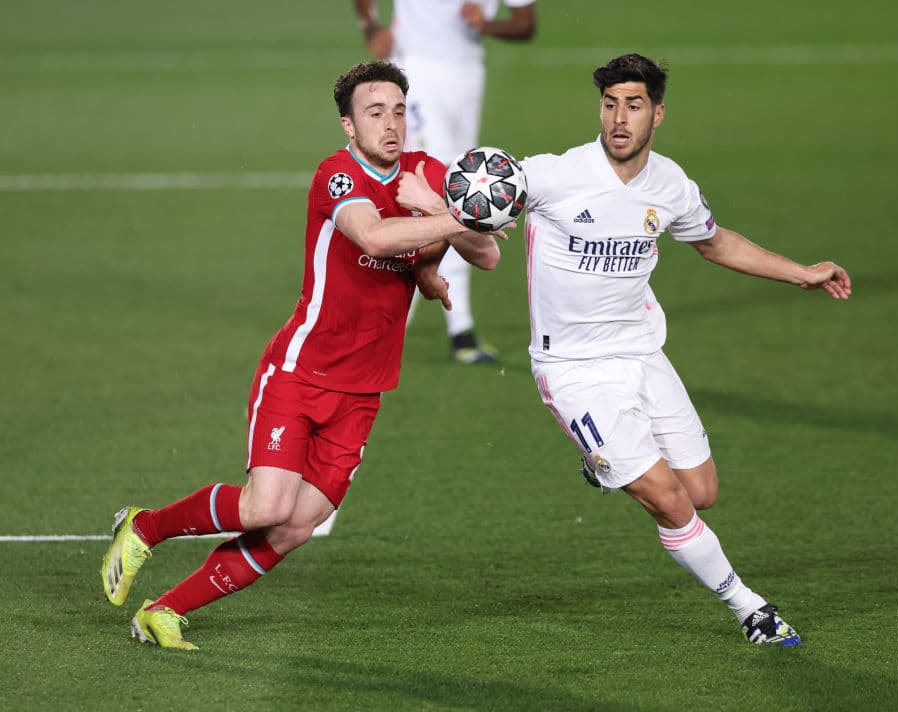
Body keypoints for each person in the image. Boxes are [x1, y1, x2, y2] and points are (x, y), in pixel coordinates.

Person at [100, 60, 505, 649]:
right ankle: (146, 526)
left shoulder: (424, 173)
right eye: (374, 113)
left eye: (398, 111)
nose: (390, 124)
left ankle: (164, 610)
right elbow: (372, 236)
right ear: (348, 125)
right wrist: (442, 216)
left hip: (365, 389)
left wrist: (434, 251)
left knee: (297, 526)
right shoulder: (337, 176)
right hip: (300, 371)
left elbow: (487, 254)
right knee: (267, 505)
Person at [520, 54, 852, 646]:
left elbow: (715, 241)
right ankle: (749, 607)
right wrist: (439, 246)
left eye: (635, 104)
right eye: (610, 103)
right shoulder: (552, 175)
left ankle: (605, 464)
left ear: (658, 114)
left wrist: (800, 272)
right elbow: (471, 201)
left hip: (641, 353)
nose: (620, 119)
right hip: (572, 371)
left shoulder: (670, 185)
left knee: (701, 492)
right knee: (671, 502)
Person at [354, 0, 537, 364]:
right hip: (414, 73)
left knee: (459, 190)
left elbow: (525, 23)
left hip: (466, 79)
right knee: (431, 192)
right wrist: (370, 25)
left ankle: (432, 326)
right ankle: (447, 327)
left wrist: (487, 26)